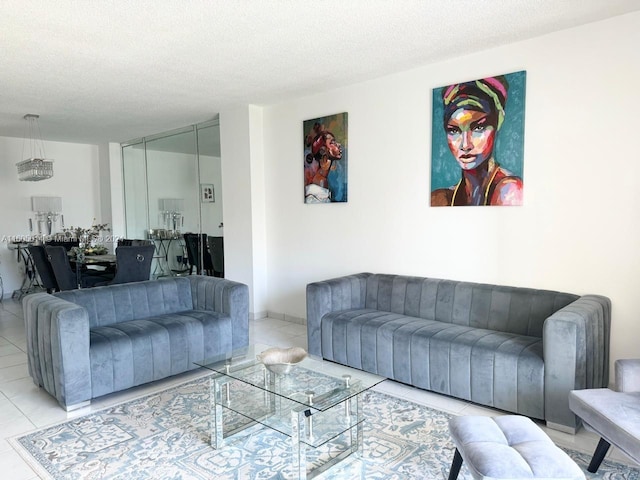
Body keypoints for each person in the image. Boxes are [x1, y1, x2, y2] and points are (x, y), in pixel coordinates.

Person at [431, 75, 523, 206]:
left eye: (478, 128)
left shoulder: (510, 191)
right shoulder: (440, 199)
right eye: (454, 131)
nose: (465, 145)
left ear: (497, 123)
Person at [304, 127, 344, 203]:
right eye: (332, 143)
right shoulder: (321, 181)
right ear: (323, 151)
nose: (338, 144)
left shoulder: (322, 178)